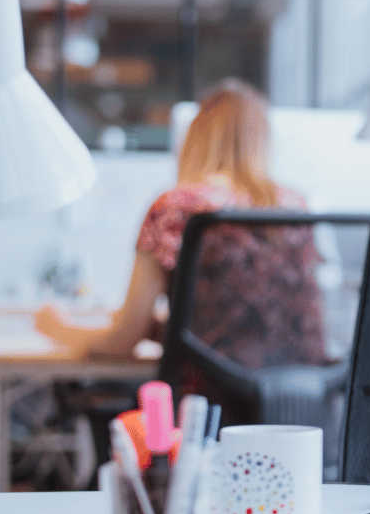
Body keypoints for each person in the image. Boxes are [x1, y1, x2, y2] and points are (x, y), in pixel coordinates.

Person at [35, 79, 322, 386]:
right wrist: (165, 329)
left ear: (197, 137)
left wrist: (54, 326)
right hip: (301, 404)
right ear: (263, 141)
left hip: (209, 408)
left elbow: (121, 341)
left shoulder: (177, 207)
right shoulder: (296, 207)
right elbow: (254, 326)